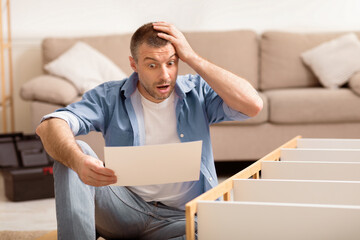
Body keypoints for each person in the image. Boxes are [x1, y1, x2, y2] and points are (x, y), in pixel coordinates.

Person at [36, 22, 263, 240]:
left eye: (171, 63)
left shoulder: (198, 92)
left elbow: (252, 105)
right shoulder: (109, 97)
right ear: (134, 65)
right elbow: (50, 125)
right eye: (152, 65)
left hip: (179, 219)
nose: (164, 75)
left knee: (217, 230)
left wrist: (192, 57)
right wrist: (77, 160)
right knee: (76, 152)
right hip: (122, 210)